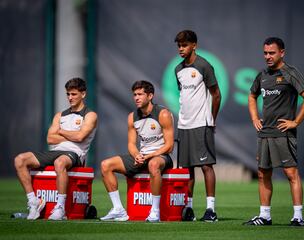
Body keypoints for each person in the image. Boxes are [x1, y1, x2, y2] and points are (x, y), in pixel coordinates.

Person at [244, 37, 304, 227]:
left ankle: (298, 217)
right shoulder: (262, 75)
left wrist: (296, 122)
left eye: (272, 53)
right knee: (262, 174)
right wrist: (254, 118)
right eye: (265, 53)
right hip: (265, 133)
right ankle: (265, 216)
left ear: (282, 53)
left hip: (283, 133)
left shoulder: (290, 73)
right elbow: (252, 96)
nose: (268, 56)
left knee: (291, 173)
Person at [14, 77, 97, 220]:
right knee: (20, 160)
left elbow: (80, 138)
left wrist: (61, 131)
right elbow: (50, 138)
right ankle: (34, 202)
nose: (70, 98)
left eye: (74, 94)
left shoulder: (90, 115)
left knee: (60, 162)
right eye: (68, 94)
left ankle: (60, 207)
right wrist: (73, 134)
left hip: (75, 154)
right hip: (55, 151)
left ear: (83, 94)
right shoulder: (60, 115)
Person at [100, 80, 174, 222]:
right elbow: (131, 144)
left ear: (150, 96)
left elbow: (169, 146)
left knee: (153, 165)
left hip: (161, 157)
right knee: (105, 165)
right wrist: (137, 155)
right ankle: (118, 209)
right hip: (142, 157)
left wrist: (149, 155)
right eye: (134, 95)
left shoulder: (163, 114)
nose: (136, 98)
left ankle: (155, 211)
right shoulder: (132, 117)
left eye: (140, 94)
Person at [174, 30, 221, 222]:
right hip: (183, 124)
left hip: (202, 123)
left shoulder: (204, 66)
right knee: (186, 168)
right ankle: (188, 209)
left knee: (206, 166)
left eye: (184, 45)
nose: (181, 49)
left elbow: (216, 94)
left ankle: (211, 210)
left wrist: (212, 118)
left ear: (194, 45)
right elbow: (185, 97)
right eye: (179, 46)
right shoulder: (177, 69)